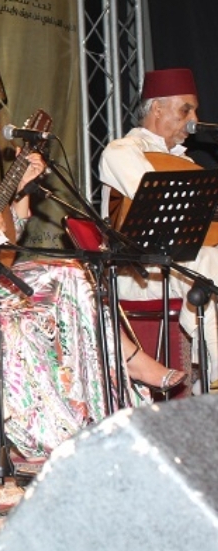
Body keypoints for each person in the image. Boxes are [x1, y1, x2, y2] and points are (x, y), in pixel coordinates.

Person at [0, 75, 186, 456]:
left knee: (75, 273)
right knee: (65, 274)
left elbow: (8, 239)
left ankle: (97, 400)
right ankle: (127, 365)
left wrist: (22, 191)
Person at [99, 68, 218, 385]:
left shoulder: (186, 163)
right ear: (157, 108)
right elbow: (159, 207)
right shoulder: (120, 152)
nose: (193, 119)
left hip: (176, 265)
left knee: (206, 258)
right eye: (185, 110)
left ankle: (207, 378)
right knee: (205, 260)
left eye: (194, 111)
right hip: (133, 272)